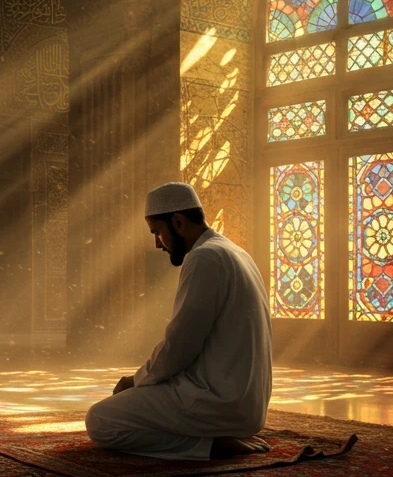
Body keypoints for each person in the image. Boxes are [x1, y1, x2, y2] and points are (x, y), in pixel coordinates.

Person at [85, 182, 273, 460]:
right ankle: (212, 436)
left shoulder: (204, 256)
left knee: (100, 419)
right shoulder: (236, 252)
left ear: (178, 222)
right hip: (249, 409)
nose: (157, 243)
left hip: (218, 404)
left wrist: (136, 380)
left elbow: (180, 346)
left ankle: (208, 446)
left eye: (157, 232)